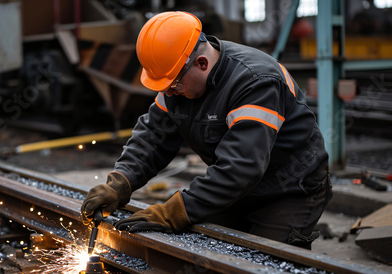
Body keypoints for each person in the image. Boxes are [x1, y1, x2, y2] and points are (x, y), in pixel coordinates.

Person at [81, 11, 332, 250]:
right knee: (207, 250)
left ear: (201, 63)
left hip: (289, 190)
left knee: (266, 268)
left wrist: (174, 211)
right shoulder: (180, 81)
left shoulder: (255, 82)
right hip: (239, 189)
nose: (169, 93)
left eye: (174, 84)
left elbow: (241, 167)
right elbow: (153, 137)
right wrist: (120, 183)